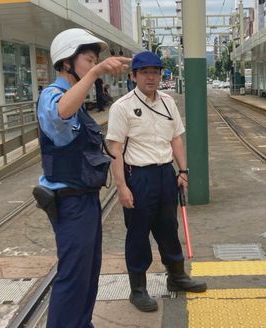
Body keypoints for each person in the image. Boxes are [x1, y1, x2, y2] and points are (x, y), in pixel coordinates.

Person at [36, 28, 130, 328]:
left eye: (94, 62)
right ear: (67, 62)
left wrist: (92, 74)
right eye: (89, 61)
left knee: (89, 271)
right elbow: (60, 114)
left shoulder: (75, 99)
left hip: (85, 198)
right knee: (73, 274)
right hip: (69, 202)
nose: (94, 67)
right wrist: (96, 73)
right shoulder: (53, 96)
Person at [106, 51, 207, 313]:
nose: (151, 77)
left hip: (165, 175)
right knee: (138, 234)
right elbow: (114, 149)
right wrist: (122, 187)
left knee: (168, 228)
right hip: (137, 177)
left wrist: (183, 170)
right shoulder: (122, 107)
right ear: (133, 76)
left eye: (155, 72)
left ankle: (177, 277)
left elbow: (175, 138)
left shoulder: (167, 102)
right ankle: (138, 289)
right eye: (145, 72)